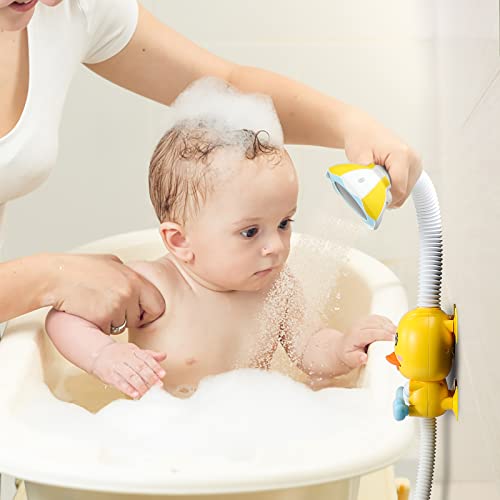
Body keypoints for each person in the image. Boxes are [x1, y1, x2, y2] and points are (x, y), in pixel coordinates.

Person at [0, 0, 421, 338]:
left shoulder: (66, 8)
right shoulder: (162, 289)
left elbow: (225, 83)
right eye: (251, 231)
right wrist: (44, 278)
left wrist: (351, 125)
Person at [44, 79, 397, 399]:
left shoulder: (279, 290)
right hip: (162, 438)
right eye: (250, 232)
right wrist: (103, 355)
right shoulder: (155, 289)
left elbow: (309, 348)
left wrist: (340, 350)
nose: (275, 246)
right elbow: (64, 316)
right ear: (180, 242)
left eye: (284, 223)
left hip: (240, 436)